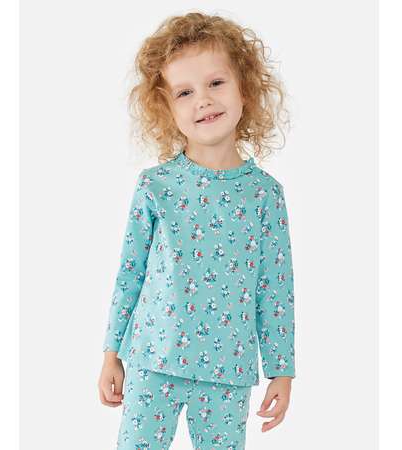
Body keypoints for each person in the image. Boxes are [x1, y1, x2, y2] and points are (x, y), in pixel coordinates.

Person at [98, 11, 296, 450]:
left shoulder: (265, 195)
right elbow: (130, 274)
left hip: (228, 370)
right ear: (167, 109)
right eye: (185, 92)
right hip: (153, 359)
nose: (202, 100)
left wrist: (281, 369)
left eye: (216, 83)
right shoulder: (155, 186)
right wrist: (111, 353)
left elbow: (275, 287)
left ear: (245, 88)